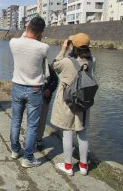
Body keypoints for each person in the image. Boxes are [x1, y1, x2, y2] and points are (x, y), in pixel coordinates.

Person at [51, 33, 95, 176]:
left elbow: (54, 64)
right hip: (83, 101)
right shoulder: (93, 61)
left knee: (67, 132)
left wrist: (63, 49)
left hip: (67, 101)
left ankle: (68, 166)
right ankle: (83, 166)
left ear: (73, 46)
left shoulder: (66, 62)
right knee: (82, 133)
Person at [9, 17, 49, 168]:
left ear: (27, 28)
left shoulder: (13, 43)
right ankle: (28, 158)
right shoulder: (44, 47)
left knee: (15, 120)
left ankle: (15, 150)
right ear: (41, 32)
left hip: (17, 86)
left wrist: (25, 31)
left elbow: (21, 39)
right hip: (35, 89)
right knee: (32, 125)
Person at [36, 65, 58, 151]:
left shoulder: (48, 67)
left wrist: (49, 89)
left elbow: (55, 81)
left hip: (45, 98)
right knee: (32, 120)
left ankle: (39, 140)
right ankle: (31, 139)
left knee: (42, 120)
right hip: (31, 97)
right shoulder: (30, 63)